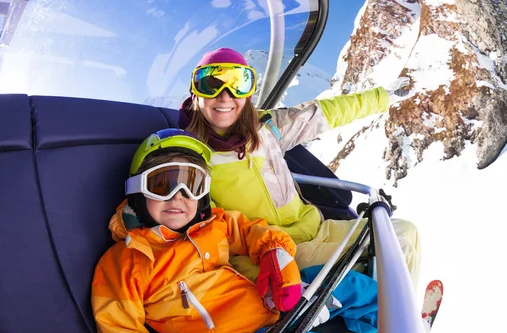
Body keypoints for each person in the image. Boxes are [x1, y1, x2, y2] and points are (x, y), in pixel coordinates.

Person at [91, 129, 378, 333]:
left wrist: (276, 259)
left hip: (270, 305)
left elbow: (254, 231)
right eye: (162, 184)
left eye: (192, 184)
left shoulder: (211, 224)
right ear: (139, 190)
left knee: (346, 282)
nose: (178, 195)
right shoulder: (126, 261)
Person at [178, 47, 420, 289]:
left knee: (403, 233)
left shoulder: (267, 128)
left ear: (248, 93)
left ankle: (398, 313)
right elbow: (213, 231)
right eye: (211, 84)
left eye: (238, 83)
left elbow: (324, 112)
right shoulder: (191, 158)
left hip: (317, 228)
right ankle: (385, 319)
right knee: (377, 263)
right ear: (195, 91)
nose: (225, 96)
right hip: (279, 250)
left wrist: (383, 97)